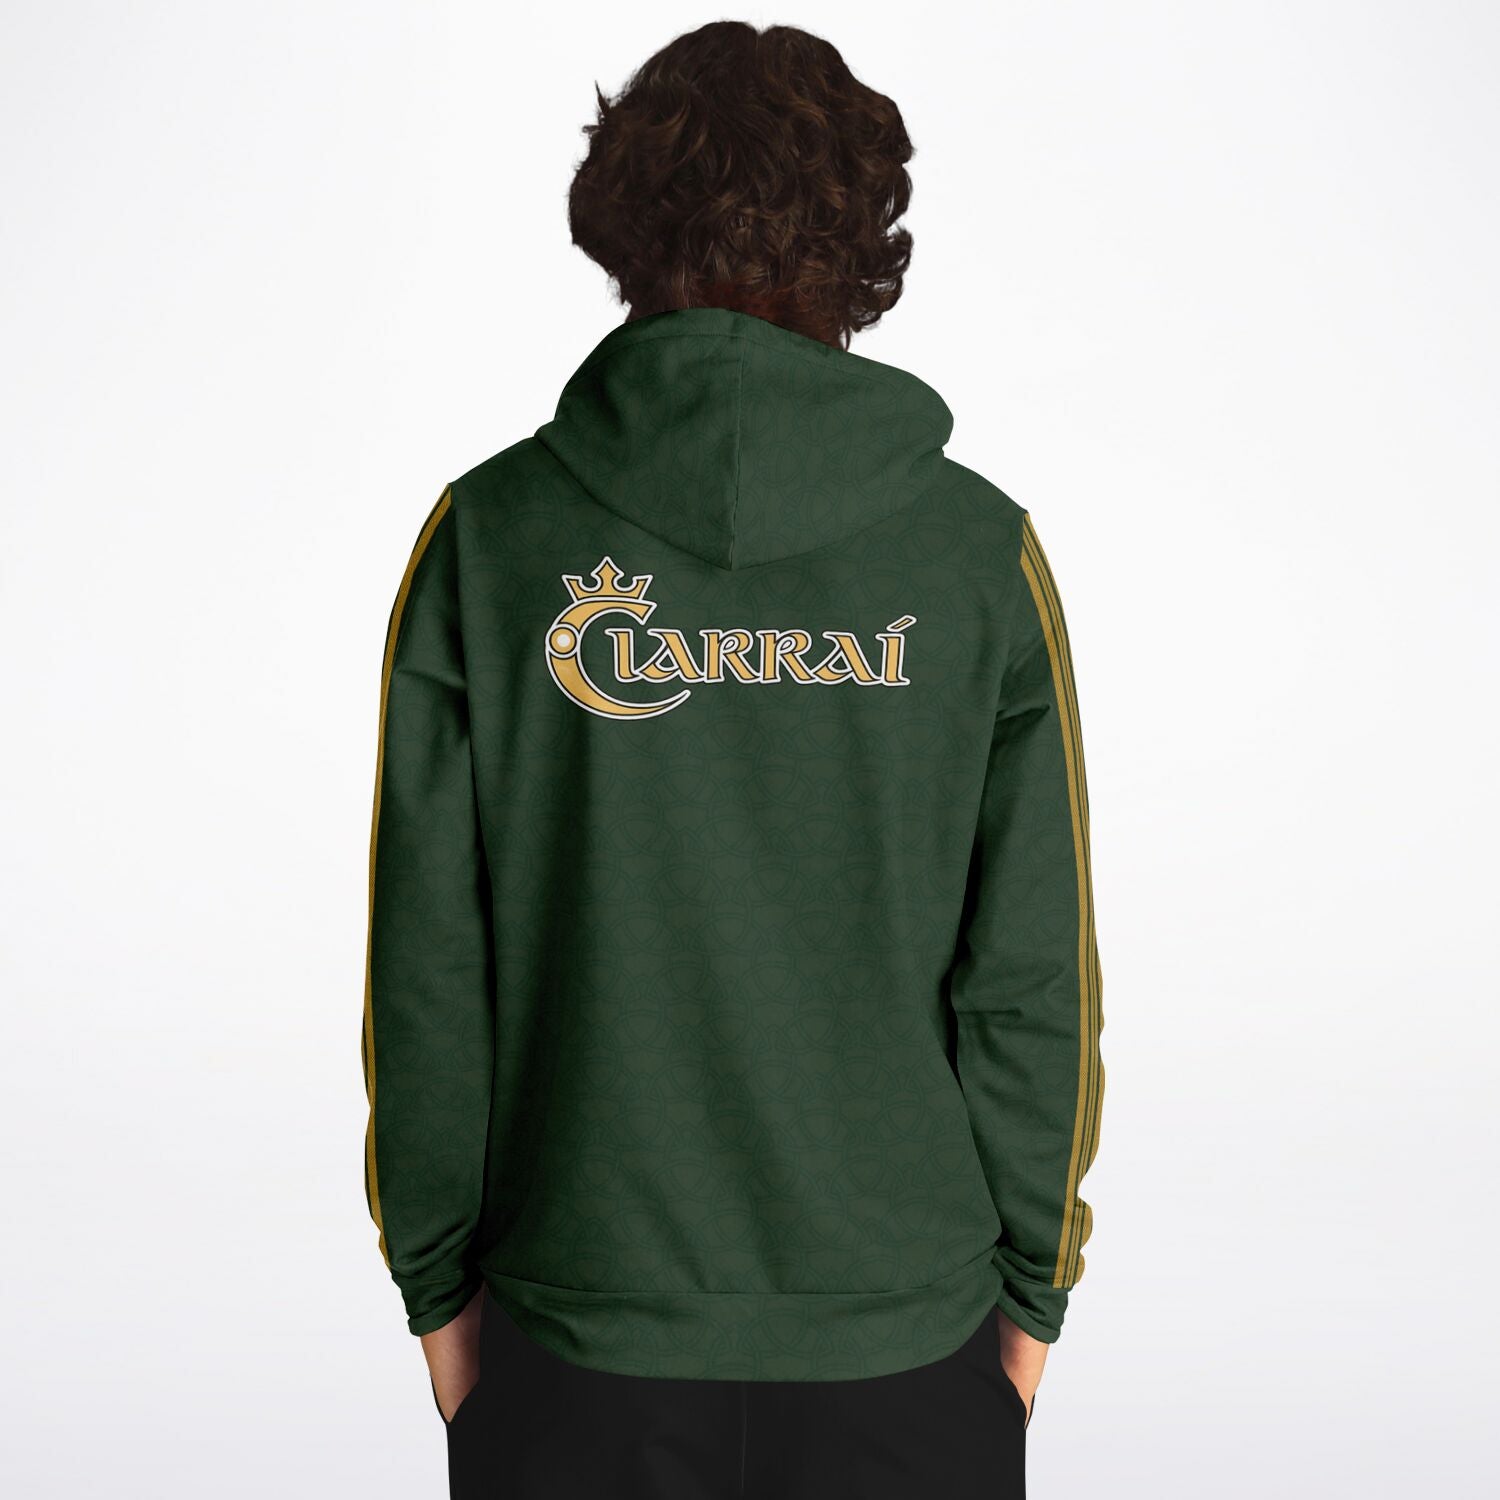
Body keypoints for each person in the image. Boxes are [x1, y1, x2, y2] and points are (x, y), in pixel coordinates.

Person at [361, 21, 1104, 1499]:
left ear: (622, 225)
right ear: (862, 243)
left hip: (579, 1342)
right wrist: (1032, 1298)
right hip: (908, 1343)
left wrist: (440, 1300)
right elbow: (1035, 977)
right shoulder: (977, 558)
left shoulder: (491, 541)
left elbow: (430, 965)